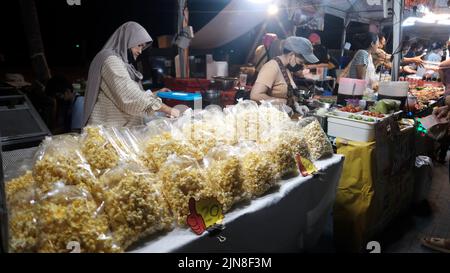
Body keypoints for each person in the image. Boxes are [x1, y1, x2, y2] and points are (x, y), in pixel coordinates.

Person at [83, 21, 179, 127]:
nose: (140, 51)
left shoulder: (121, 62)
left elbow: (130, 92)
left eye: (142, 47)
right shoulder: (110, 60)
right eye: (139, 45)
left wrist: (155, 94)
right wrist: (167, 109)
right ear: (127, 40)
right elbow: (130, 95)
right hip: (107, 132)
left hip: (118, 131)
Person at [250, 36, 319, 113]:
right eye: (300, 62)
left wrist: (295, 105)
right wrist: (282, 102)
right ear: (292, 55)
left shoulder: (286, 68)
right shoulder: (272, 67)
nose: (302, 67)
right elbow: (255, 95)